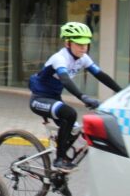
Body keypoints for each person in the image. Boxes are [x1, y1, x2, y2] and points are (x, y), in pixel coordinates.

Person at [29, 22, 122, 178]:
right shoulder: (59, 58)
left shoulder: (83, 58)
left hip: (54, 100)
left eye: (86, 44)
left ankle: (59, 177)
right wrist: (83, 97)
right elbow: (65, 80)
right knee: (70, 114)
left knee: (75, 129)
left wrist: (122, 92)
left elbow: (101, 75)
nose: (83, 48)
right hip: (40, 99)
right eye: (79, 44)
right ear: (68, 43)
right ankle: (59, 159)